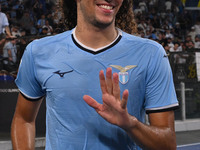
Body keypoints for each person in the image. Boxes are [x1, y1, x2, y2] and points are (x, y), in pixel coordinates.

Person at [11, 0, 179, 150]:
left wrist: (130, 124)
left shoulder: (151, 54)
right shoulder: (39, 52)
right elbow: (23, 120)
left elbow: (168, 143)